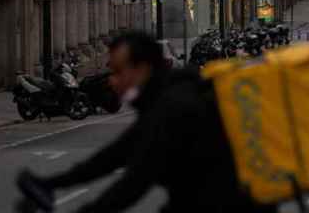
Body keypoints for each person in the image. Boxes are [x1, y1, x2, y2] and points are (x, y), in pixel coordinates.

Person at [17, 31, 273, 213]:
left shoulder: (174, 107)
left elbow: (136, 180)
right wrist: (52, 183)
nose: (112, 80)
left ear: (142, 70)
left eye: (118, 71)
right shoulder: (163, 100)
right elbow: (115, 154)